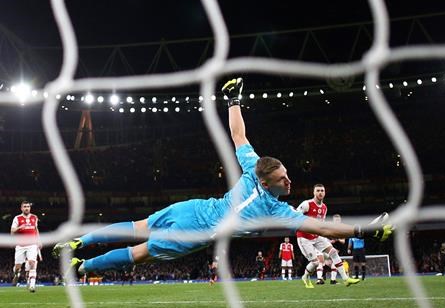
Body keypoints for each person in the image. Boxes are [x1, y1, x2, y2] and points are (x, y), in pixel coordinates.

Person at [52, 78, 393, 280]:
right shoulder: (275, 210)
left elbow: (238, 135)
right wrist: (362, 230)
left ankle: (78, 242)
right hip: (195, 232)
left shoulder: (253, 166)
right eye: (283, 179)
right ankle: (80, 267)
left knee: (135, 226)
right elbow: (324, 229)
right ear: (269, 183)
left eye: (287, 175)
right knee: (138, 252)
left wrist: (232, 99)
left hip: (193, 208)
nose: (289, 182)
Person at [296, 184, 361, 288]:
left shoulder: (324, 208)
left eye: (322, 190)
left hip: (316, 236)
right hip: (304, 237)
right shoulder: (307, 204)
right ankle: (305, 276)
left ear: (325, 193)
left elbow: (321, 225)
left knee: (333, 252)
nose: (320, 192)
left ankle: (345, 279)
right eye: (318, 190)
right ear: (314, 192)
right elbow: (295, 216)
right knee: (316, 262)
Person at [11, 201, 40, 292]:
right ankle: (16, 274)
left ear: (30, 208)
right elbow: (12, 231)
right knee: (17, 267)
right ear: (21, 208)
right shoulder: (17, 218)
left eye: (28, 206)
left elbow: (36, 229)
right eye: (25, 206)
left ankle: (32, 285)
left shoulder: (34, 217)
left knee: (32, 263)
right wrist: (19, 228)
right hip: (20, 245)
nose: (26, 208)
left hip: (32, 244)